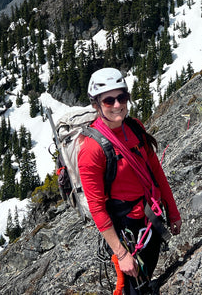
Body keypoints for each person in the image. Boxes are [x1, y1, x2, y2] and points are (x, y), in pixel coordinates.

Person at [78, 68, 182, 294]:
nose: (117, 105)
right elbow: (97, 207)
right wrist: (121, 253)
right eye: (108, 100)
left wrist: (172, 212)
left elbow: (156, 172)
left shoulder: (135, 127)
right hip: (127, 230)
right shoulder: (91, 150)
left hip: (150, 218)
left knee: (148, 274)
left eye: (121, 97)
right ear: (96, 105)